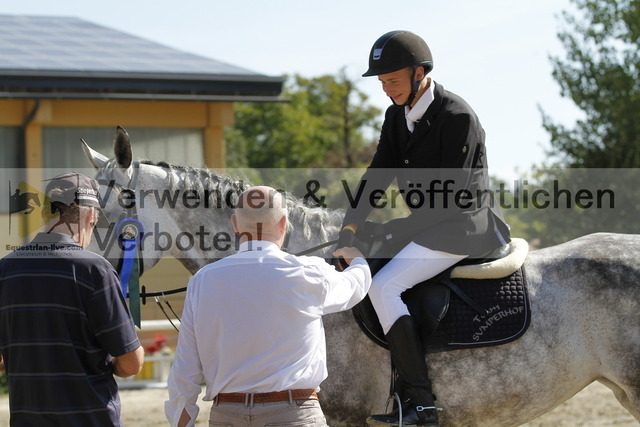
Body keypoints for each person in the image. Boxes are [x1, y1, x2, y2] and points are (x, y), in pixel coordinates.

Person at [337, 31, 511, 426]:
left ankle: (421, 405)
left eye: (393, 81)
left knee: (384, 286)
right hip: (429, 226)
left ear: (419, 73)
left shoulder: (457, 117)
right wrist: (351, 227)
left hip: (463, 227)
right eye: (382, 83)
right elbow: (377, 175)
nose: (387, 90)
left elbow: (452, 199)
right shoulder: (396, 116)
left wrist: (391, 231)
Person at [165, 186, 371, 427]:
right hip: (293, 414)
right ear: (284, 224)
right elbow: (355, 286)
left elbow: (185, 368)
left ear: (235, 225)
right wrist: (358, 261)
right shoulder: (308, 272)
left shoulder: (203, 280)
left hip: (226, 416)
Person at [0, 172, 144, 426]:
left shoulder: (5, 269)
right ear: (90, 216)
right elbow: (131, 363)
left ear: (44, 213)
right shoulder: (95, 270)